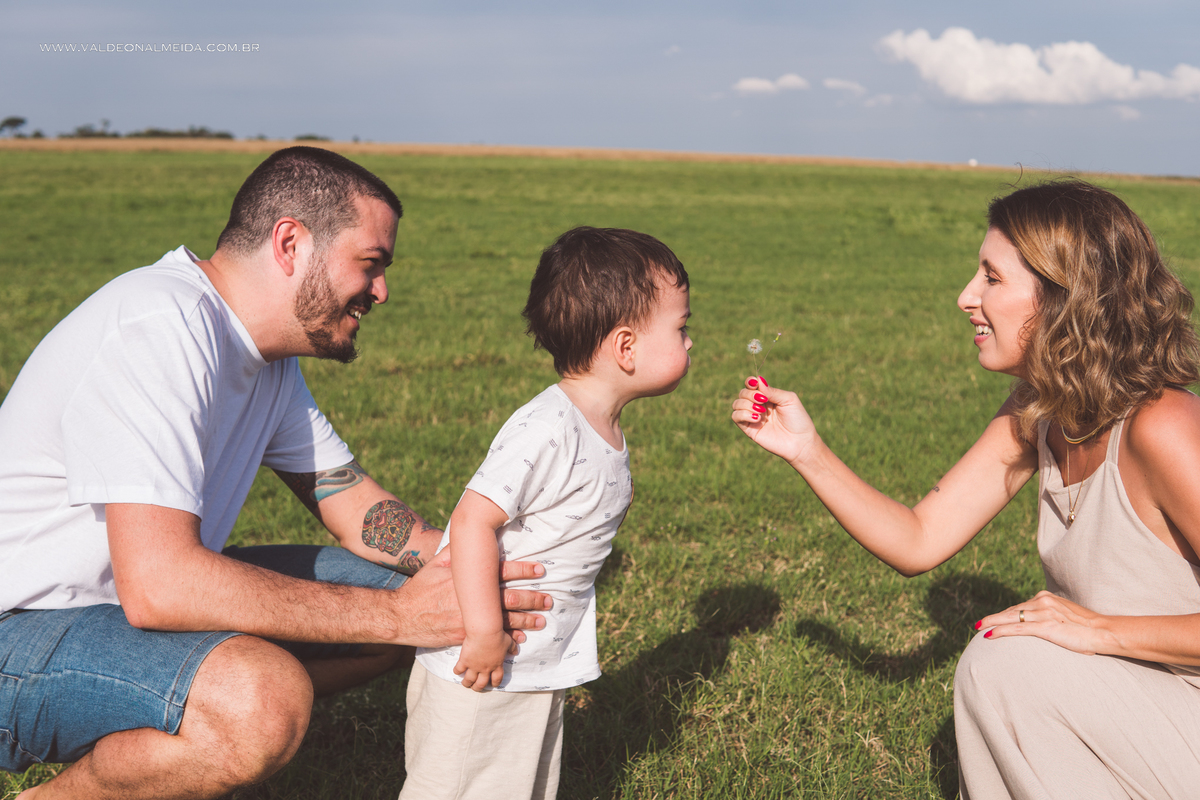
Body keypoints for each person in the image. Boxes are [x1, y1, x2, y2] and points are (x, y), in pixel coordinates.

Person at [0, 146, 550, 800]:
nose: (381, 291)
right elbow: (161, 586)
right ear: (291, 243)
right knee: (261, 701)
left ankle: (177, 731)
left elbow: (356, 509)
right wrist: (399, 617)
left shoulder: (266, 360)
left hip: (115, 614)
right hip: (20, 630)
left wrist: (475, 567)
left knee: (418, 591)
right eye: (370, 263)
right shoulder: (159, 324)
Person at [732, 180, 1200, 799]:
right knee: (1006, 657)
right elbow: (919, 539)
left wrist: (1100, 630)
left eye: (992, 278)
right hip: (1136, 706)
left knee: (1004, 664)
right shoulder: (1040, 410)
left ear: (1067, 297)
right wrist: (807, 451)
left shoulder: (1163, 426)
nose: (966, 297)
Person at [399, 227, 693, 799]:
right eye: (681, 328)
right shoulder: (549, 427)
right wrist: (485, 632)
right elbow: (473, 520)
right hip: (483, 665)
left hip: (534, 662)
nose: (690, 341)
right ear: (626, 347)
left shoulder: (601, 427)